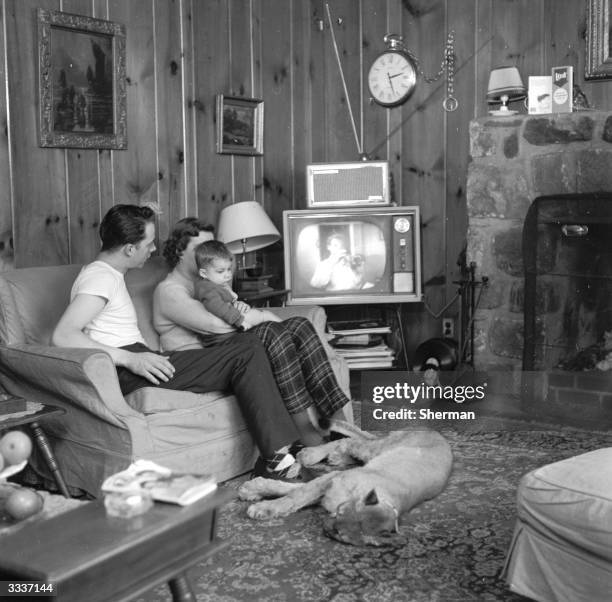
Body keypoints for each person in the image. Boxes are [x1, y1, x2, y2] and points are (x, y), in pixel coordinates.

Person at [51, 204, 309, 482]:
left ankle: (276, 453)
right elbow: (63, 335)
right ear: (129, 249)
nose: (152, 250)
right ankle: (277, 457)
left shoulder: (106, 274)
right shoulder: (100, 277)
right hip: (128, 367)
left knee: (247, 348)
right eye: (148, 244)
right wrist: (130, 359)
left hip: (141, 360)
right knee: (246, 352)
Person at [153, 217, 350, 447]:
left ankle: (339, 423)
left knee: (299, 325)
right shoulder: (169, 291)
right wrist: (260, 315)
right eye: (200, 248)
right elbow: (218, 325)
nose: (208, 252)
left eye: (212, 246)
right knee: (270, 331)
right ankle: (305, 432)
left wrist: (244, 309)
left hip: (229, 347)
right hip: (207, 362)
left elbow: (232, 310)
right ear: (179, 251)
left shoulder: (212, 280)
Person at [194, 239, 281, 332]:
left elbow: (228, 302)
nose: (227, 274)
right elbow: (217, 306)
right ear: (203, 273)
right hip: (234, 322)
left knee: (266, 319)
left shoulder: (217, 285)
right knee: (265, 316)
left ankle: (285, 329)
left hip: (234, 319)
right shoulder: (206, 288)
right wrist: (239, 321)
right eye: (220, 271)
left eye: (229, 269)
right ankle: (286, 328)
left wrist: (237, 303)